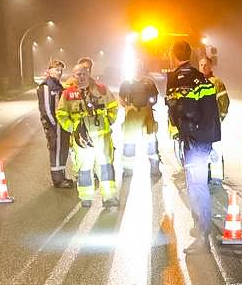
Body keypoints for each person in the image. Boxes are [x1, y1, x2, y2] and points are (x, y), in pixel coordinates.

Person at [166, 40, 221, 250]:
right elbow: (211, 110)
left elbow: (185, 110)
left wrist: (182, 129)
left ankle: (202, 235)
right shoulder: (201, 78)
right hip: (204, 138)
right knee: (198, 185)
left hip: (193, 140)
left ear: (173, 54)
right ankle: (201, 227)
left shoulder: (179, 78)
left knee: (196, 186)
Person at [55, 62, 120, 209]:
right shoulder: (68, 94)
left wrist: (109, 120)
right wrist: (72, 127)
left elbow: (113, 106)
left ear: (89, 73)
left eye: (84, 73)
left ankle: (109, 197)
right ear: (74, 76)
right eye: (78, 74)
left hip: (102, 138)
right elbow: (61, 113)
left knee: (105, 167)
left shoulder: (102, 89)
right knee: (84, 168)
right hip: (81, 139)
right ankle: (86, 197)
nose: (81, 77)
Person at [118, 60, 162, 180]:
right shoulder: (126, 83)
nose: (137, 70)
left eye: (139, 68)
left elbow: (155, 97)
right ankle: (128, 170)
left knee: (151, 142)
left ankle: (155, 168)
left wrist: (149, 104)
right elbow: (120, 98)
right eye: (135, 68)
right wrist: (127, 107)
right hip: (131, 115)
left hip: (147, 114)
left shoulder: (149, 83)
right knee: (129, 143)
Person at [37, 59, 73, 188]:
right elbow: (46, 109)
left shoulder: (58, 85)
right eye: (57, 70)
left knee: (63, 149)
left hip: (62, 124)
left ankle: (62, 176)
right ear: (50, 70)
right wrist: (54, 124)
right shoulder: (46, 86)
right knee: (56, 150)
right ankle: (57, 180)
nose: (59, 72)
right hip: (55, 125)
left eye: (61, 70)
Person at [199, 55, 228, 185]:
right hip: (200, 125)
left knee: (215, 150)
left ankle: (216, 179)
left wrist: (218, 118)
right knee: (202, 151)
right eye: (201, 65)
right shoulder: (197, 83)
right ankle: (205, 177)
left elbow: (224, 103)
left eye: (206, 65)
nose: (203, 67)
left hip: (213, 125)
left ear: (211, 66)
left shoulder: (217, 83)